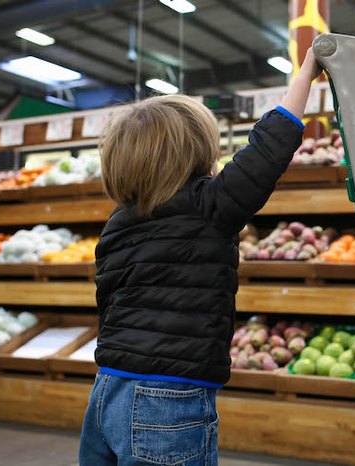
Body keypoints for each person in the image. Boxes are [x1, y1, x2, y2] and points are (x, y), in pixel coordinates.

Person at [79, 48, 321, 466]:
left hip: (107, 391)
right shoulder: (209, 206)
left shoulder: (117, 223)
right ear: (195, 155)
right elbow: (266, 152)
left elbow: (109, 304)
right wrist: (306, 73)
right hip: (166, 401)